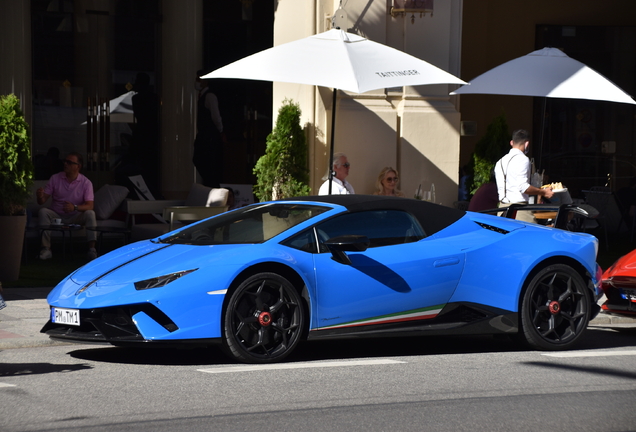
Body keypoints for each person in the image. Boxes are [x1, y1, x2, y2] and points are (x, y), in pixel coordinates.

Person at [36, 152, 98, 260]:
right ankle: (46, 249)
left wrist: (75, 207)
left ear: (78, 166)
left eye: (69, 162)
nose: (65, 164)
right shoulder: (55, 178)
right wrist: (40, 196)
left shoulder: (86, 183)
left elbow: (90, 205)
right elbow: (42, 201)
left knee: (90, 213)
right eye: (65, 161)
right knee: (43, 211)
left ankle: (92, 250)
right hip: (57, 216)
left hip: (75, 216)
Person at [495, 129, 553, 223]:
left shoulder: (500, 162)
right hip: (518, 209)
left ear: (511, 142)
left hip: (502, 209)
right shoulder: (522, 159)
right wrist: (543, 192)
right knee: (534, 235)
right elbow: (523, 187)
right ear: (527, 144)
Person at [193, 70, 225, 188]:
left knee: (208, 163)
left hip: (210, 136)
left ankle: (212, 186)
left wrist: (220, 131)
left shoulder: (210, 96)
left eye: (198, 80)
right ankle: (209, 184)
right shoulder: (202, 96)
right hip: (204, 134)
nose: (196, 82)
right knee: (200, 160)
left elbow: (216, 116)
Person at [131, 72, 159, 193]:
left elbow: (139, 116)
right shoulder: (154, 98)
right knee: (150, 163)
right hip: (152, 133)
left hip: (142, 133)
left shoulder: (136, 98)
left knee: (141, 162)